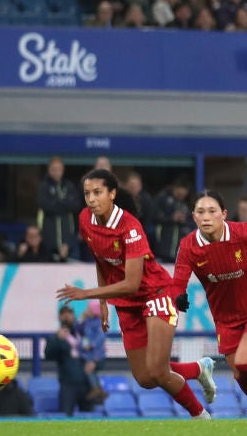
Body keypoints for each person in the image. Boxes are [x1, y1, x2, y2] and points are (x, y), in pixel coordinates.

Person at [56, 169, 211, 419]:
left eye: (98, 193)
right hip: (127, 304)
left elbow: (131, 283)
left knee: (159, 371)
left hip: (156, 293)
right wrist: (104, 302)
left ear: (112, 194)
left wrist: (88, 294)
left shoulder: (130, 227)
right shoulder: (85, 219)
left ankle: (201, 416)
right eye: (87, 194)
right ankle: (199, 369)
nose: (92, 199)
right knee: (145, 379)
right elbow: (101, 259)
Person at [170, 190, 247, 419]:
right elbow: (178, 279)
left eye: (212, 211)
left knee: (246, 361)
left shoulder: (243, 232)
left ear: (224, 214)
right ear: (193, 216)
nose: (206, 217)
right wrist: (178, 294)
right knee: (241, 374)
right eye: (201, 212)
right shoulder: (188, 246)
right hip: (225, 317)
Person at [43, 305, 95, 415]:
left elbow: (95, 353)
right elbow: (48, 355)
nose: (67, 316)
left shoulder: (82, 333)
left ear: (73, 315)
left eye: (69, 313)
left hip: (86, 383)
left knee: (90, 418)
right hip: (68, 385)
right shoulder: (55, 337)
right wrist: (58, 340)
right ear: (59, 317)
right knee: (65, 417)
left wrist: (94, 363)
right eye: (63, 314)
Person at [38, 157, 81, 261]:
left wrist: (57, 202)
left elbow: (76, 205)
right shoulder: (44, 186)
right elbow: (45, 205)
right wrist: (65, 204)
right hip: (48, 238)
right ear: (49, 170)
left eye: (59, 169)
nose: (57, 172)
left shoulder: (68, 186)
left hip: (67, 239)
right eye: (54, 169)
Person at [79, 300, 108, 403]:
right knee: (89, 370)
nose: (86, 310)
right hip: (88, 355)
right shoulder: (87, 322)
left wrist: (91, 345)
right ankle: (98, 389)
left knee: (89, 369)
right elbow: (80, 330)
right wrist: (82, 319)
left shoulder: (99, 323)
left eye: (88, 309)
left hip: (96, 355)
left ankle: (96, 388)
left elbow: (100, 337)